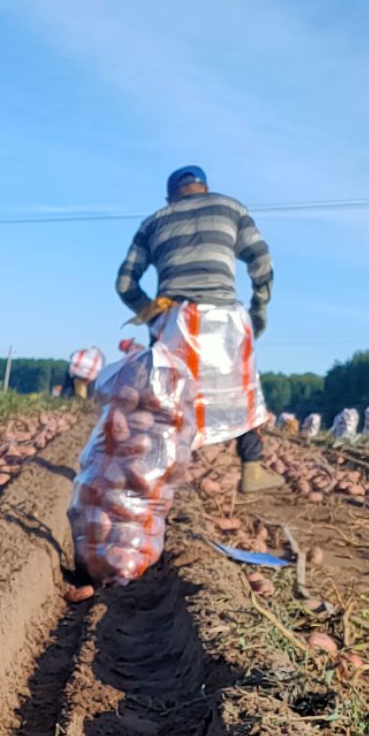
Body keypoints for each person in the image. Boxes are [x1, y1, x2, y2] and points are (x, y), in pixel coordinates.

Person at [116, 166, 281, 493]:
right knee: (242, 391)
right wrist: (259, 307)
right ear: (204, 188)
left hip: (174, 319)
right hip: (224, 318)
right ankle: (252, 471)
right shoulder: (230, 209)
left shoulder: (153, 222)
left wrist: (152, 316)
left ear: (170, 198)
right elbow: (260, 260)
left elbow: (125, 283)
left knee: (168, 398)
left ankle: (159, 475)